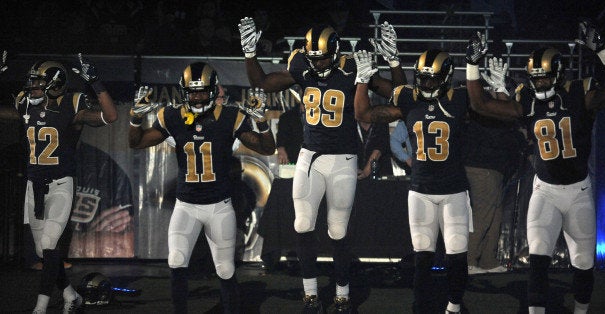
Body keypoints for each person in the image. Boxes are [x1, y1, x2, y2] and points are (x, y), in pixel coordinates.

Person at [238, 18, 406, 312]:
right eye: (313, 57)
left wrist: (393, 62)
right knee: (302, 225)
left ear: (337, 51)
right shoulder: (302, 66)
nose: (317, 63)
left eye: (324, 57)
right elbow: (262, 83)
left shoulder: (353, 67)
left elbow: (400, 95)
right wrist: (250, 54)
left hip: (342, 159)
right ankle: (310, 294)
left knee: (338, 231)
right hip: (310, 155)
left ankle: (342, 293)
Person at [465, 20, 605, 314]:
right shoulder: (527, 101)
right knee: (538, 262)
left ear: (558, 74)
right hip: (546, 192)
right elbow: (480, 105)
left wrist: (603, 51)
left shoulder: (579, 96)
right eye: (535, 78)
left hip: (578, 192)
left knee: (582, 266)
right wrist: (471, 65)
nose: (538, 84)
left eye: (543, 78)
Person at [353, 47, 510, 313]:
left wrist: (498, 89)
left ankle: (453, 307)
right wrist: (361, 80)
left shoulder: (460, 99)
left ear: (446, 77)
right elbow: (363, 114)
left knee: (457, 258)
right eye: (422, 78)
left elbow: (501, 111)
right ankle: (421, 307)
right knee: (422, 260)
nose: (426, 84)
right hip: (421, 192)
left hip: (454, 192)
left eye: (431, 79)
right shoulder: (408, 99)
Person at [128, 62, 275, 314]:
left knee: (226, 269)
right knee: (176, 261)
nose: (197, 97)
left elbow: (266, 148)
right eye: (192, 91)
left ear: (213, 89)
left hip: (219, 205)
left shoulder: (230, 116)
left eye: (202, 91)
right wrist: (135, 118)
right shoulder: (172, 116)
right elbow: (138, 142)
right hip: (186, 205)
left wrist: (262, 122)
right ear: (184, 91)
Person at [0, 53, 118, 313]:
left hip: (60, 184)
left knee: (50, 246)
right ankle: (70, 295)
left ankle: (40, 307)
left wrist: (96, 83)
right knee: (45, 254)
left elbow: (110, 116)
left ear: (55, 84)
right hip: (34, 186)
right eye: (33, 82)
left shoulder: (71, 105)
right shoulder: (25, 103)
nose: (33, 87)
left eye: (39, 82)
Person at [463, 62, 526, 275]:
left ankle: (488, 259)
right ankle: (469, 260)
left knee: (495, 213)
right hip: (483, 166)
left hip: (493, 167)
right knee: (484, 214)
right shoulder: (481, 104)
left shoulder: (488, 102)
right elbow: (507, 118)